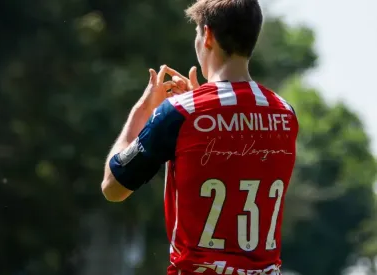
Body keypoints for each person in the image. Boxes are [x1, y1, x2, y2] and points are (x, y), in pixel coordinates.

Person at [100, 0, 298, 274]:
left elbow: (113, 187)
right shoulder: (286, 115)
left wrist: (143, 111)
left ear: (207, 36)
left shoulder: (180, 112)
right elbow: (239, 151)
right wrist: (201, 103)